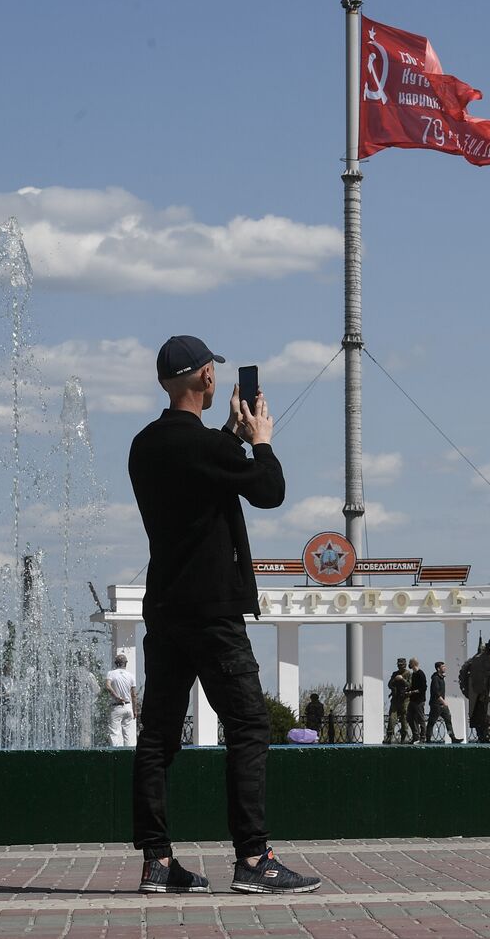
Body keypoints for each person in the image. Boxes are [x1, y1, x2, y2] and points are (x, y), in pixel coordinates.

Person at [128, 334, 319, 895]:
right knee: (248, 725)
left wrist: (229, 440)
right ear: (208, 379)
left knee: (158, 735)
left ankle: (157, 863)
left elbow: (197, 481)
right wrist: (259, 441)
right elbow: (269, 489)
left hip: (164, 608)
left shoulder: (144, 445)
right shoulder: (211, 448)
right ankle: (255, 859)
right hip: (213, 610)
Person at [106, 654, 139, 747]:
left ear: (116, 663)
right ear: (126, 663)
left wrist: (116, 697)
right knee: (127, 734)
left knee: (114, 733)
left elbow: (108, 686)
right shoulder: (131, 676)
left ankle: (116, 755)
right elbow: (133, 695)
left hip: (116, 707)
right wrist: (135, 710)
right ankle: (128, 754)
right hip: (128, 707)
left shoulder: (111, 673)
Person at [427, 661, 462, 743]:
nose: (445, 668)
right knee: (432, 721)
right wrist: (443, 702)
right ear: (438, 668)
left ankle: (452, 737)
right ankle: (428, 738)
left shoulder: (441, 678)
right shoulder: (435, 679)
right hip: (436, 705)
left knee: (448, 721)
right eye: (443, 666)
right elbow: (436, 693)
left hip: (442, 705)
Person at [388, 659, 412, 744]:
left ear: (405, 665)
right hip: (395, 699)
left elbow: (410, 686)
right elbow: (390, 684)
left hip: (405, 700)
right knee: (392, 718)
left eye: (401, 665)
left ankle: (404, 737)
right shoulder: (395, 674)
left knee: (404, 719)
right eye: (398, 665)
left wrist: (402, 679)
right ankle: (389, 736)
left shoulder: (408, 673)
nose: (400, 666)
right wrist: (395, 680)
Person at [408, 658, 428, 743]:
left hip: (419, 701)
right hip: (412, 700)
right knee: (410, 718)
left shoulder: (420, 674)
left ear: (413, 664)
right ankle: (416, 736)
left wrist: (413, 692)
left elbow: (423, 687)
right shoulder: (413, 674)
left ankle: (423, 737)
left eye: (410, 663)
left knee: (420, 719)